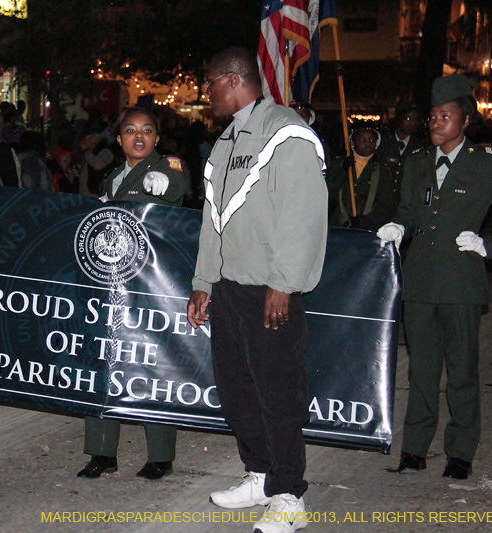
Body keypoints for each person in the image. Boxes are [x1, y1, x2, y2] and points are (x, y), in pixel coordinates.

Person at [185, 47, 327, 532]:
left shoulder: (285, 131)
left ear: (230, 80)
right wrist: (203, 282)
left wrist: (283, 283)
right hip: (227, 289)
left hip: (268, 289)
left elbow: (302, 214)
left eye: (209, 84)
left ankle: (290, 494)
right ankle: (261, 474)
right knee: (237, 389)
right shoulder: (226, 142)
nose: (207, 94)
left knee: (278, 392)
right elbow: (213, 222)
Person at [377, 74, 492, 480]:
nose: (435, 123)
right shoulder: (417, 161)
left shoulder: (486, 163)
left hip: (461, 284)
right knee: (421, 370)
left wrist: (491, 244)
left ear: (465, 120)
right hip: (419, 283)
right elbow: (407, 210)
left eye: (444, 116)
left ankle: (460, 453)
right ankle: (414, 450)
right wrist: (399, 228)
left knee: (462, 372)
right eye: (432, 116)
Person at [77, 107, 185, 482]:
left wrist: (163, 182)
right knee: (103, 362)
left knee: (150, 366)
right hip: (113, 285)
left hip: (151, 288)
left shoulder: (167, 167)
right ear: (119, 138)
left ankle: (161, 455)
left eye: (147, 131)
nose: (138, 137)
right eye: (129, 130)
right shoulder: (113, 178)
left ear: (156, 138)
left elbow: (175, 188)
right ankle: (102, 452)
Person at [328, 122, 397, 231]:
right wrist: (342, 173)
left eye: (371, 140)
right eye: (362, 140)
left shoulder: (381, 170)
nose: (367, 144)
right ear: (353, 142)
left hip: (367, 230)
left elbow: (386, 205)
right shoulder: (339, 164)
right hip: (338, 228)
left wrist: (364, 221)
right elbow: (328, 194)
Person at [376, 99, 425, 199]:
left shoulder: (419, 146)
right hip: (381, 200)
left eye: (416, 120)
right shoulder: (383, 142)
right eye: (408, 118)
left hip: (404, 202)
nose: (412, 123)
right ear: (399, 118)